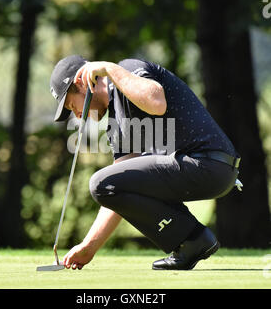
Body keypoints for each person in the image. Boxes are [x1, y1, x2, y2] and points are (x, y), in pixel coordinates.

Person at [49, 55, 241, 270]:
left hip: (207, 163)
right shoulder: (116, 123)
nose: (75, 113)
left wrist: (109, 68)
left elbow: (156, 103)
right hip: (207, 169)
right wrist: (88, 246)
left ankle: (194, 239)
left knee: (99, 182)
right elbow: (117, 186)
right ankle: (192, 240)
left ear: (82, 83)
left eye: (70, 104)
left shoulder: (127, 69)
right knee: (105, 184)